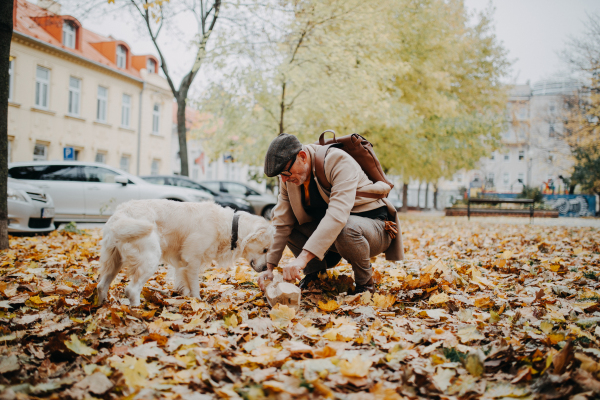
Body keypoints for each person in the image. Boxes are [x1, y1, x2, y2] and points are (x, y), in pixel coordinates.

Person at [258, 133, 404, 294]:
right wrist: (269, 267)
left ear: (302, 156)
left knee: (347, 227)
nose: (284, 180)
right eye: (281, 176)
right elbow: (281, 223)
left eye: (285, 173)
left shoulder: (337, 161)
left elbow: (337, 216)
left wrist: (301, 259)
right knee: (291, 223)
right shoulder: (291, 177)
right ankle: (316, 275)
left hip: (375, 230)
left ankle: (365, 285)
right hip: (336, 238)